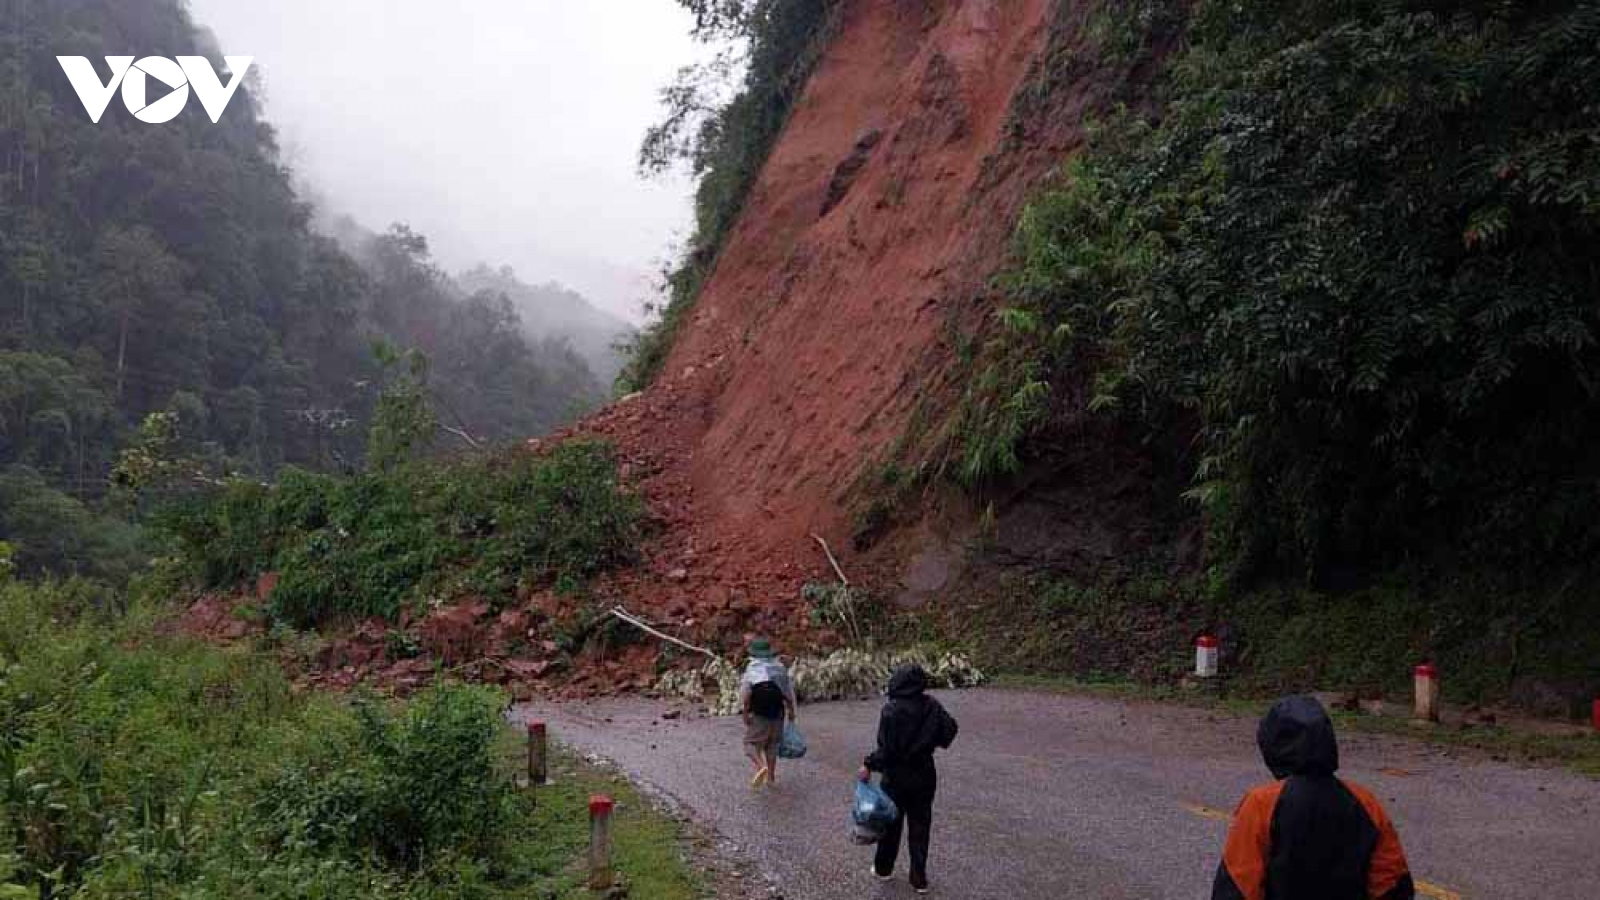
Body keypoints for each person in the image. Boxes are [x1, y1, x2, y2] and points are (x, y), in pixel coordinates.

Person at [1212, 695, 1415, 900]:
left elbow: (1237, 886)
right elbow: (1393, 885)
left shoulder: (1261, 804)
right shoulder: (1365, 802)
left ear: (1273, 746)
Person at [857, 664, 958, 894]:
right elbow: (949, 731)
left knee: (891, 823)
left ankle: (884, 868)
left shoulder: (891, 710)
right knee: (920, 826)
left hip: (896, 776)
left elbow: (886, 751)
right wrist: (929, 740)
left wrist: (868, 764)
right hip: (924, 773)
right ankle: (919, 878)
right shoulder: (932, 705)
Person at [739, 638, 796, 788]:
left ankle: (760, 766)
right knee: (772, 745)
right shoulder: (779, 669)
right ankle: (770, 778)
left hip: (760, 714)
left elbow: (746, 695)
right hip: (778, 712)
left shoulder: (752, 670)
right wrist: (791, 711)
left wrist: (745, 713)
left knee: (749, 744)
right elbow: (788, 692)